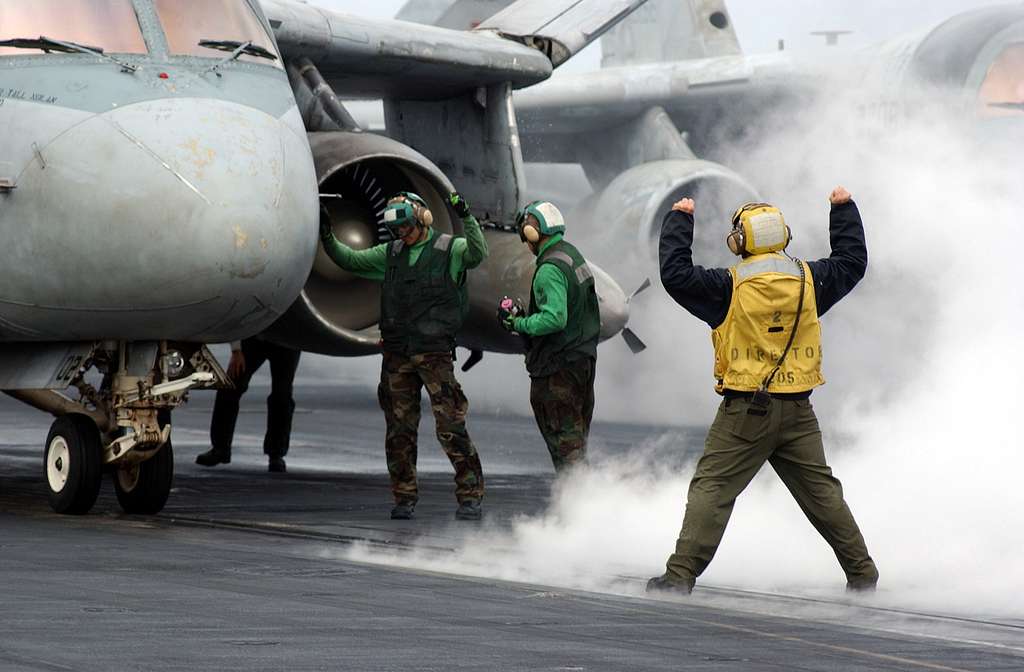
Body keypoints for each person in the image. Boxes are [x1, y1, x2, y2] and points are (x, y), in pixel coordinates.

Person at [647, 186, 878, 595]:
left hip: (744, 414)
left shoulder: (727, 286)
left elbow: (676, 276)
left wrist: (680, 219)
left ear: (739, 241)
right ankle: (862, 574)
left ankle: (679, 576)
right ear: (784, 236)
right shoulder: (811, 282)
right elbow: (852, 262)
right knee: (823, 495)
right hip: (799, 412)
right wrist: (842, 210)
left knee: (712, 489)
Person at [319, 192, 486, 521]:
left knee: (451, 427)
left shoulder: (450, 250)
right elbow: (349, 260)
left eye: (407, 228)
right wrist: (326, 233)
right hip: (397, 355)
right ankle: (404, 496)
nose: (403, 236)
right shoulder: (391, 253)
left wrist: (467, 216)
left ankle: (470, 494)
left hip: (435, 354)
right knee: (399, 430)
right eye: (397, 231)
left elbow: (478, 253)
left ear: (423, 219)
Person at [498, 201, 600, 472]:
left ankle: (578, 506)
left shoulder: (548, 269)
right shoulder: (572, 255)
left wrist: (520, 323)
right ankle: (587, 502)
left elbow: (555, 318)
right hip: (582, 363)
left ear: (533, 232)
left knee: (566, 447)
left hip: (558, 369)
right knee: (577, 442)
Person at [195, 337, 302, 473]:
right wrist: (236, 351)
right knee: (230, 388)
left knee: (282, 396)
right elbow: (236, 318)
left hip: (288, 340)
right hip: (256, 337)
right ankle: (221, 448)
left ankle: (276, 454)